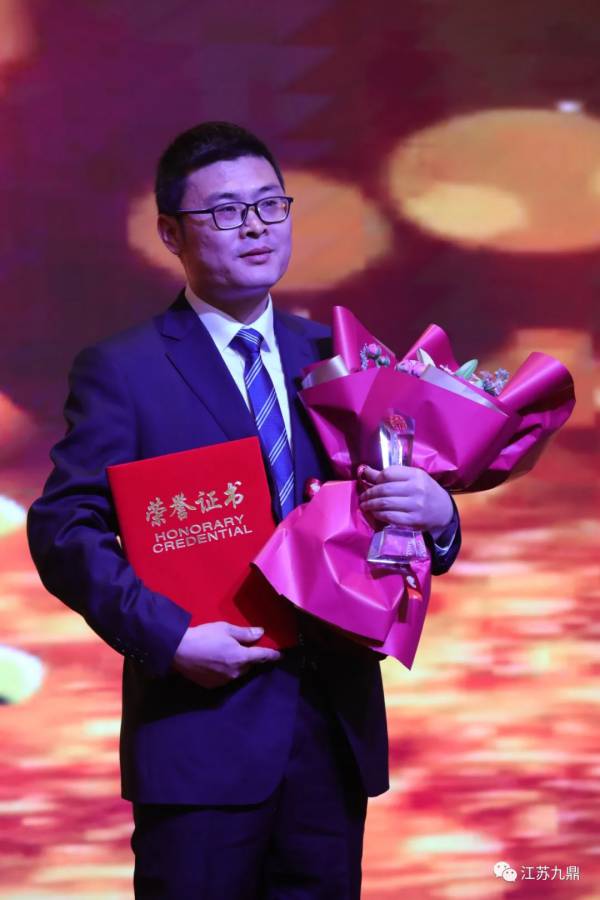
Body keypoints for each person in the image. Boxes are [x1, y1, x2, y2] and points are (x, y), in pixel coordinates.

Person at [27, 121, 461, 899]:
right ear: (171, 233)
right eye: (226, 211)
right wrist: (167, 637)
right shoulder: (124, 369)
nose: (256, 226)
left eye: (270, 205)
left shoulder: (336, 358)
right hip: (200, 733)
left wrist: (436, 514)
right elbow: (64, 529)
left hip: (331, 730)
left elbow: (387, 505)